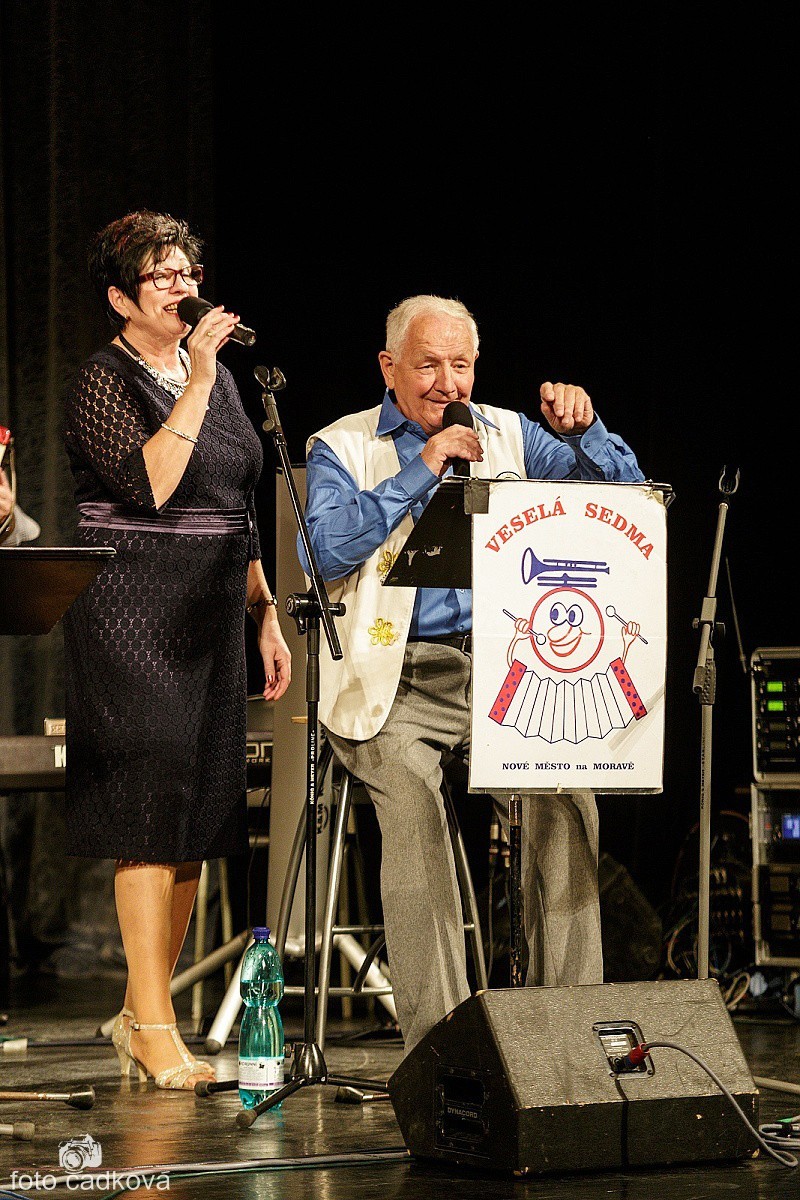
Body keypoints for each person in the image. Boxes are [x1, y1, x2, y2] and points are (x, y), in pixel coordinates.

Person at [298, 294, 645, 1056]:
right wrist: (420, 469)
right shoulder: (342, 446)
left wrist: (588, 432)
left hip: (507, 675)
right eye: (428, 365)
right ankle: (446, 1052)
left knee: (567, 796)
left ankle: (569, 1037)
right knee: (414, 811)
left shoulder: (509, 434)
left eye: (460, 365)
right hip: (395, 681)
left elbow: (627, 501)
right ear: (388, 367)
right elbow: (320, 552)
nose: (447, 383)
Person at [62, 210, 291, 1090]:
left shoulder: (222, 380)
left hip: (212, 613)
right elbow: (152, 484)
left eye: (188, 270)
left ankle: (138, 1013)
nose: (182, 285)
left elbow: (237, 501)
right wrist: (196, 378)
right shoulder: (103, 378)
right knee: (148, 818)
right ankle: (157, 1028)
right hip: (132, 612)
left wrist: (264, 610)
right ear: (122, 299)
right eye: (161, 275)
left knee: (195, 823)